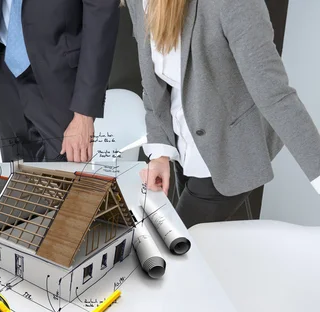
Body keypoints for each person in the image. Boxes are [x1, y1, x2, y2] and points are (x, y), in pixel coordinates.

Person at [124, 0, 320, 228]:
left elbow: (275, 95)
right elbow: (153, 81)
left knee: (175, 249)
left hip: (230, 150)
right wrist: (160, 153)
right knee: (219, 249)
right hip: (183, 142)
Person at [0, 0, 120, 163]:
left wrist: (85, 113)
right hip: (4, 71)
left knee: (64, 180)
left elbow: (101, 18)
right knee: (16, 178)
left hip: (61, 78)